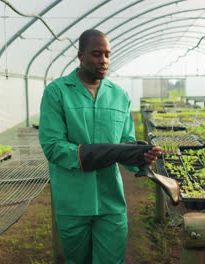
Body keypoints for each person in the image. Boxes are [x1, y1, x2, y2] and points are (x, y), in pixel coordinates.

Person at [39, 29, 162, 264]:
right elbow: (53, 147)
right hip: (73, 200)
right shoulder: (58, 92)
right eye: (96, 54)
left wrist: (140, 154)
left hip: (110, 200)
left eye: (107, 55)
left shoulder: (119, 95)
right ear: (80, 55)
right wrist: (101, 153)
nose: (103, 61)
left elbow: (125, 141)